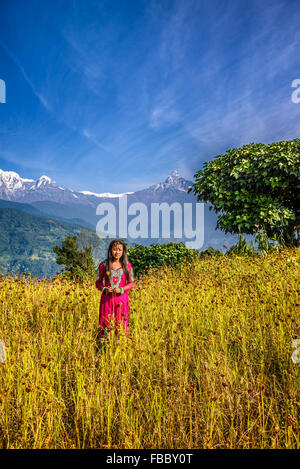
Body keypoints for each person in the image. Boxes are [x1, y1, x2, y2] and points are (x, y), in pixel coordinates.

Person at [95, 239, 135, 341]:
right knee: (105, 324)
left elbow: (131, 283)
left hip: (121, 301)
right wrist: (105, 289)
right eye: (114, 249)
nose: (117, 252)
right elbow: (98, 282)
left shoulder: (128, 265)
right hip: (107, 301)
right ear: (110, 250)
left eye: (119, 250)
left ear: (123, 251)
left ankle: (120, 350)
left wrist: (121, 290)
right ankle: (104, 348)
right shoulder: (103, 265)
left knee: (121, 324)